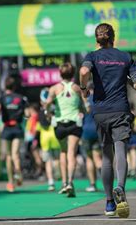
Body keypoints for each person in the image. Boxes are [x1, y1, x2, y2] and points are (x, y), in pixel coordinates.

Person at [79, 23, 136, 218]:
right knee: (121, 150)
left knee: (106, 156)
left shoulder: (92, 56)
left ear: (96, 39)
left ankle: (108, 203)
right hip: (120, 110)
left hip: (100, 112)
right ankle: (121, 187)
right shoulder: (125, 57)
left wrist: (84, 88)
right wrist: (129, 80)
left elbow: (83, 72)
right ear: (113, 37)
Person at [44, 62, 87, 198]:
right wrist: (82, 111)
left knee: (63, 152)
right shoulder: (77, 87)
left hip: (60, 124)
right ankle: (70, 182)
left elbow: (47, 104)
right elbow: (86, 106)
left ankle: (63, 183)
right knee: (71, 153)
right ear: (73, 73)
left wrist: (48, 113)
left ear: (60, 73)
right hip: (74, 123)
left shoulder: (54, 88)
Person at [0, 76, 30, 192]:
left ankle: (10, 182)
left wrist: (0, 111)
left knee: (9, 155)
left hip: (7, 128)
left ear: (5, 86)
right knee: (15, 154)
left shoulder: (1, 98)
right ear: (14, 86)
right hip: (18, 128)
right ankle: (18, 172)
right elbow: (28, 114)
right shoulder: (21, 98)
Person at [81, 84, 102, 192]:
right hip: (98, 130)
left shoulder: (85, 101)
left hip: (86, 132)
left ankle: (93, 184)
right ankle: (106, 179)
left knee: (89, 158)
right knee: (98, 158)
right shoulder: (100, 100)